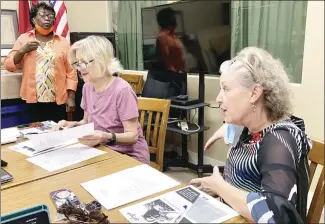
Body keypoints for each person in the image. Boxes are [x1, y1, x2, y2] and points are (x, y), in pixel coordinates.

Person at [190, 47, 311, 223]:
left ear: (255, 93)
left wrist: (220, 186)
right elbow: (249, 179)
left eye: (226, 89)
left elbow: (276, 214)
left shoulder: (280, 139)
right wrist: (216, 187)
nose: (218, 98)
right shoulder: (248, 129)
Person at [56, 35, 150, 165]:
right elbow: (87, 122)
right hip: (101, 150)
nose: (80, 68)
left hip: (128, 155)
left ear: (101, 60)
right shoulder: (87, 87)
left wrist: (105, 137)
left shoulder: (122, 90)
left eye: (84, 63)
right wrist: (72, 125)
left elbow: (132, 135)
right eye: (77, 64)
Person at [4, 2, 77, 123]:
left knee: (58, 134)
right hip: (33, 101)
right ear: (33, 19)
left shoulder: (63, 42)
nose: (47, 18)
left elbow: (71, 72)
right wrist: (22, 51)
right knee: (36, 134)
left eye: (50, 15)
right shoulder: (24, 39)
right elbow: (9, 66)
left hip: (58, 100)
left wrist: (71, 97)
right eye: (43, 15)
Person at [155, 7, 185, 72]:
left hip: (181, 73)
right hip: (174, 77)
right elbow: (167, 63)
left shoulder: (173, 35)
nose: (176, 19)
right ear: (169, 19)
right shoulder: (163, 36)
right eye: (174, 17)